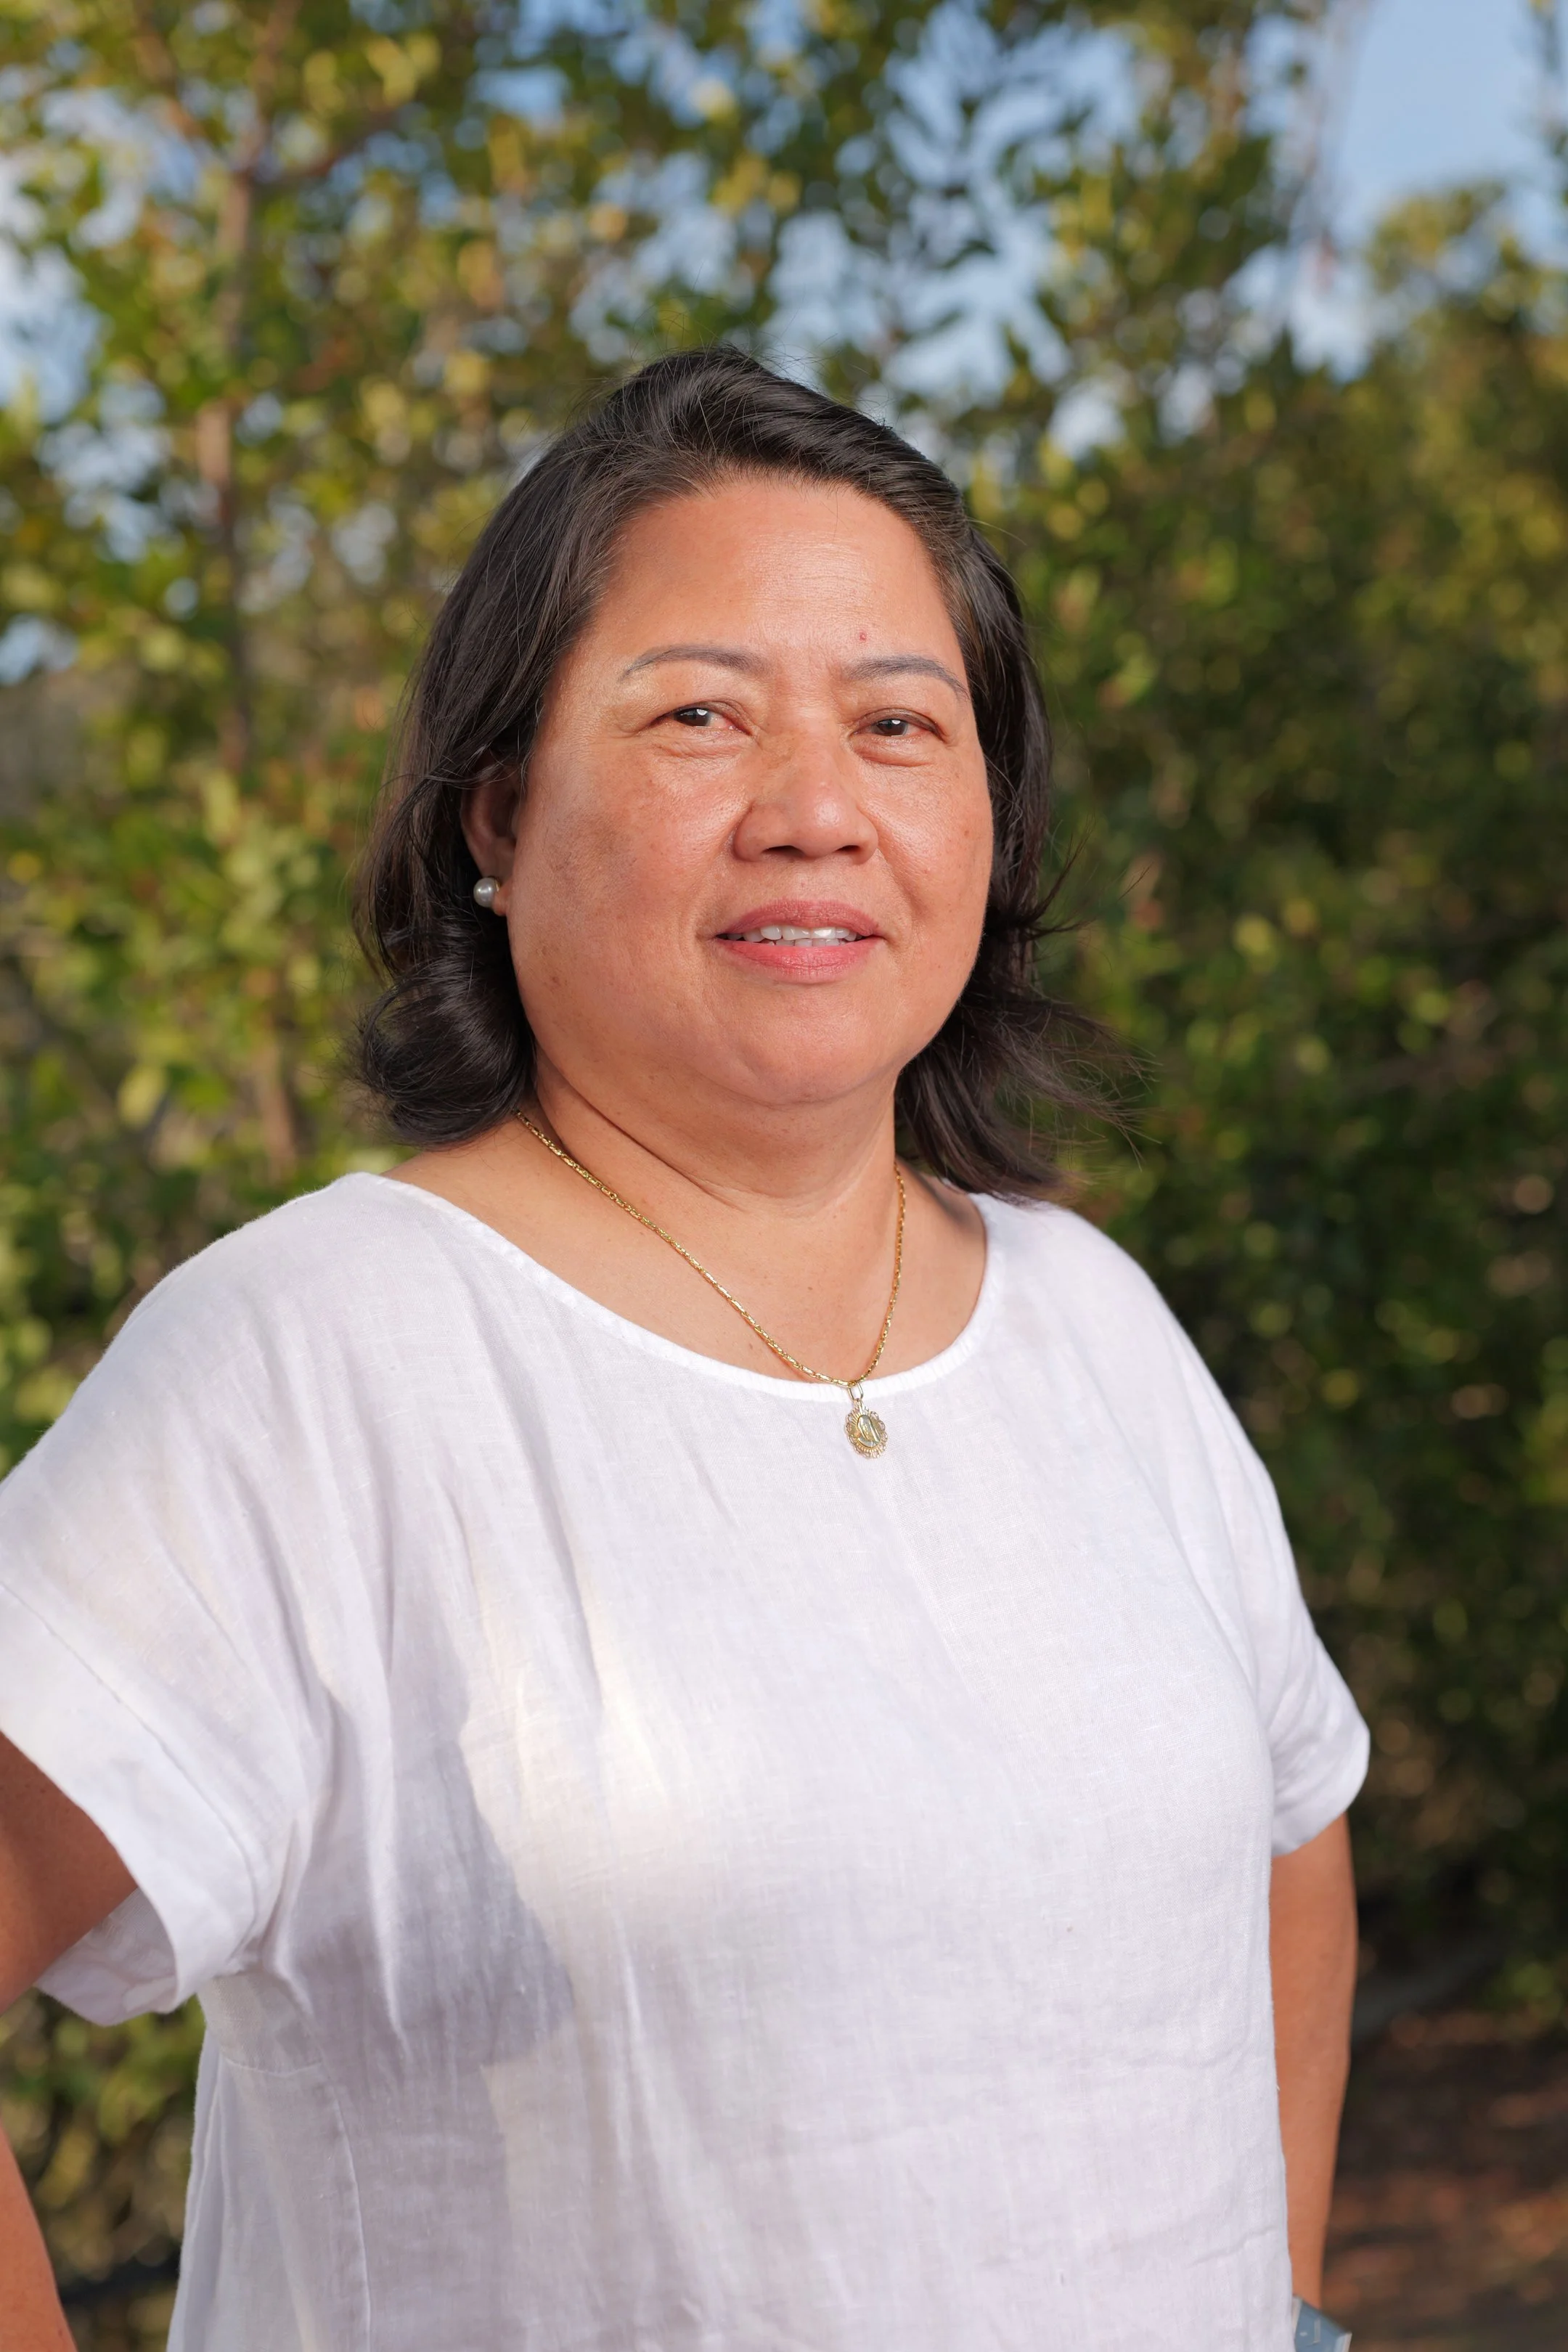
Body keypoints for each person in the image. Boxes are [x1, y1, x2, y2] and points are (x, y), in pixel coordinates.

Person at [0, 349, 1365, 2351]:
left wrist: (1291, 2313)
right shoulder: (314, 1359)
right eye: (701, 716)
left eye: (903, 723)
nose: (817, 810)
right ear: (498, 810)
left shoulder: (1089, 1317)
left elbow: (1287, 1832)